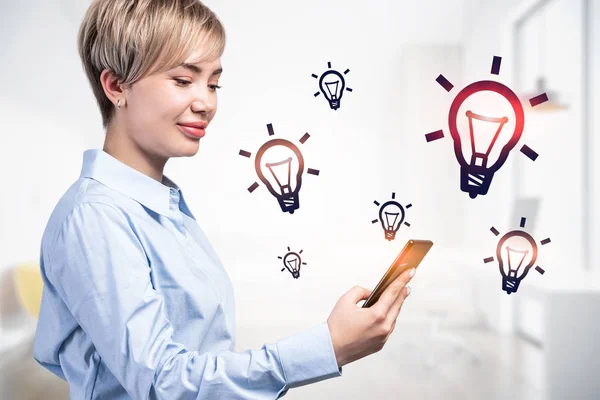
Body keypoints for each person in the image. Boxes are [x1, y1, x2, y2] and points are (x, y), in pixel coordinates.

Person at [32, 0, 415, 398]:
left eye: (213, 83)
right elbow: (162, 382)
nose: (207, 103)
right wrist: (328, 346)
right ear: (116, 86)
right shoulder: (96, 218)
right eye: (183, 80)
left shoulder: (162, 206)